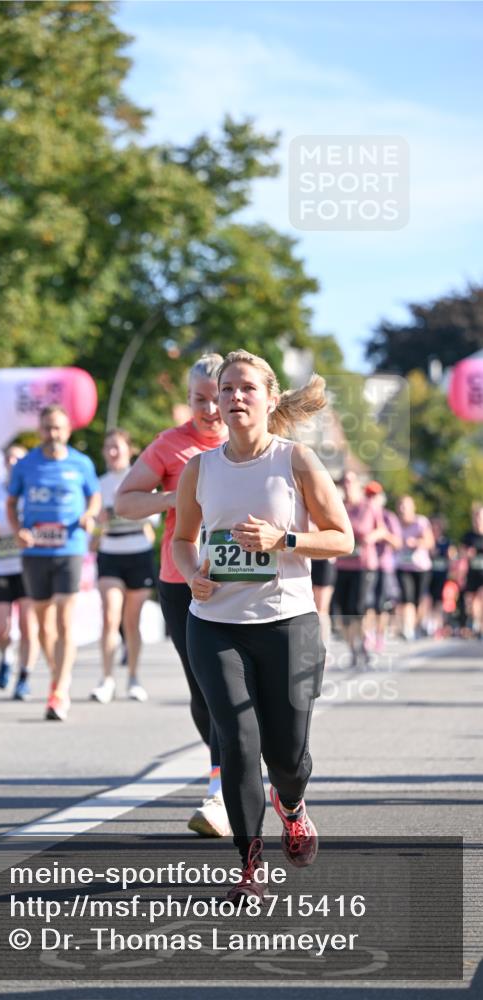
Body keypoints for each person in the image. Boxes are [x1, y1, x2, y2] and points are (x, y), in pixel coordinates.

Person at [172, 350, 353, 902]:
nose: (234, 397)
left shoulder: (295, 459)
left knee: (288, 756)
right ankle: (249, 867)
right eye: (226, 389)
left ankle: (291, 804)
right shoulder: (199, 468)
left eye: (247, 388)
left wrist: (284, 540)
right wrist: (192, 575)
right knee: (237, 741)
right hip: (215, 624)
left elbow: (342, 538)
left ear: (270, 398)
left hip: (288, 622)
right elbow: (182, 539)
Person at [115, 354, 230, 837]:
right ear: (187, 400)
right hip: (181, 580)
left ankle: (225, 788)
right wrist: (173, 497)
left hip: (239, 582)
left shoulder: (250, 440)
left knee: (230, 688)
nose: (210, 410)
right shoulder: (170, 444)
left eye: (217, 398)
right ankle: (227, 772)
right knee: (204, 690)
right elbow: (124, 501)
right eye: (199, 400)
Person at [7, 405, 100, 721]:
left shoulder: (81, 463)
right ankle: (57, 673)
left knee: (64, 619)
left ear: (68, 431)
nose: (53, 434)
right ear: (40, 430)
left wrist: (88, 515)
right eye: (47, 428)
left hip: (69, 548)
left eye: (58, 428)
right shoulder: (26, 464)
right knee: (44, 626)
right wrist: (18, 530)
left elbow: (94, 496)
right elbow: (11, 502)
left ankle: (59, 689)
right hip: (35, 552)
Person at [91, 428, 156, 704]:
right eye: (108, 447)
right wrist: (98, 522)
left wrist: (131, 509)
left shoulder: (142, 479)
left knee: (132, 621)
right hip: (110, 554)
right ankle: (106, 679)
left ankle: (133, 677)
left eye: (117, 446)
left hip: (138, 553)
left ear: (130, 450)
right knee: (110, 616)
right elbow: (91, 525)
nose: (113, 452)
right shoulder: (99, 484)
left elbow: (153, 519)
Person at [0, 444, 39, 699]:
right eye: (9, 459)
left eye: (18, 459)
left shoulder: (32, 493)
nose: (13, 463)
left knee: (28, 627)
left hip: (27, 568)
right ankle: (6, 656)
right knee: (1, 629)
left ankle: (24, 677)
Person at [332, 471, 386, 668]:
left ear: (358, 485)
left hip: (364, 565)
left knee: (358, 607)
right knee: (343, 610)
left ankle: (364, 643)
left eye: (350, 482)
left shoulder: (369, 506)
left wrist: (371, 537)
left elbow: (382, 529)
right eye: (344, 482)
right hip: (342, 564)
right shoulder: (338, 506)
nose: (347, 485)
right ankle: (353, 649)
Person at [364, 481, 402, 653]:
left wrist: (383, 534)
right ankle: (368, 634)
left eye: (374, 496)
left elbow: (398, 543)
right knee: (367, 603)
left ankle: (380, 636)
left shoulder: (388, 517)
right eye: (368, 495)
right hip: (366, 566)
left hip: (384, 566)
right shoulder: (362, 515)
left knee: (382, 605)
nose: (371, 499)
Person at [395, 494, 434, 640]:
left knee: (419, 600)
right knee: (407, 597)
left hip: (421, 568)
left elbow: (430, 542)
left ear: (413, 507)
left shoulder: (421, 522)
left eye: (405, 506)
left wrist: (416, 543)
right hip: (403, 567)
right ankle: (408, 628)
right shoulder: (395, 523)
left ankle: (417, 624)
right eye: (400, 505)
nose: (402, 509)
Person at [461, 502, 483, 638]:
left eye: (480, 517)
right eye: (476, 517)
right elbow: (461, 553)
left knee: (481, 597)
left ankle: (478, 625)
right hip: (473, 573)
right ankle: (476, 624)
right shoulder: (468, 536)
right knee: (473, 600)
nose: (478, 520)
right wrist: (467, 553)